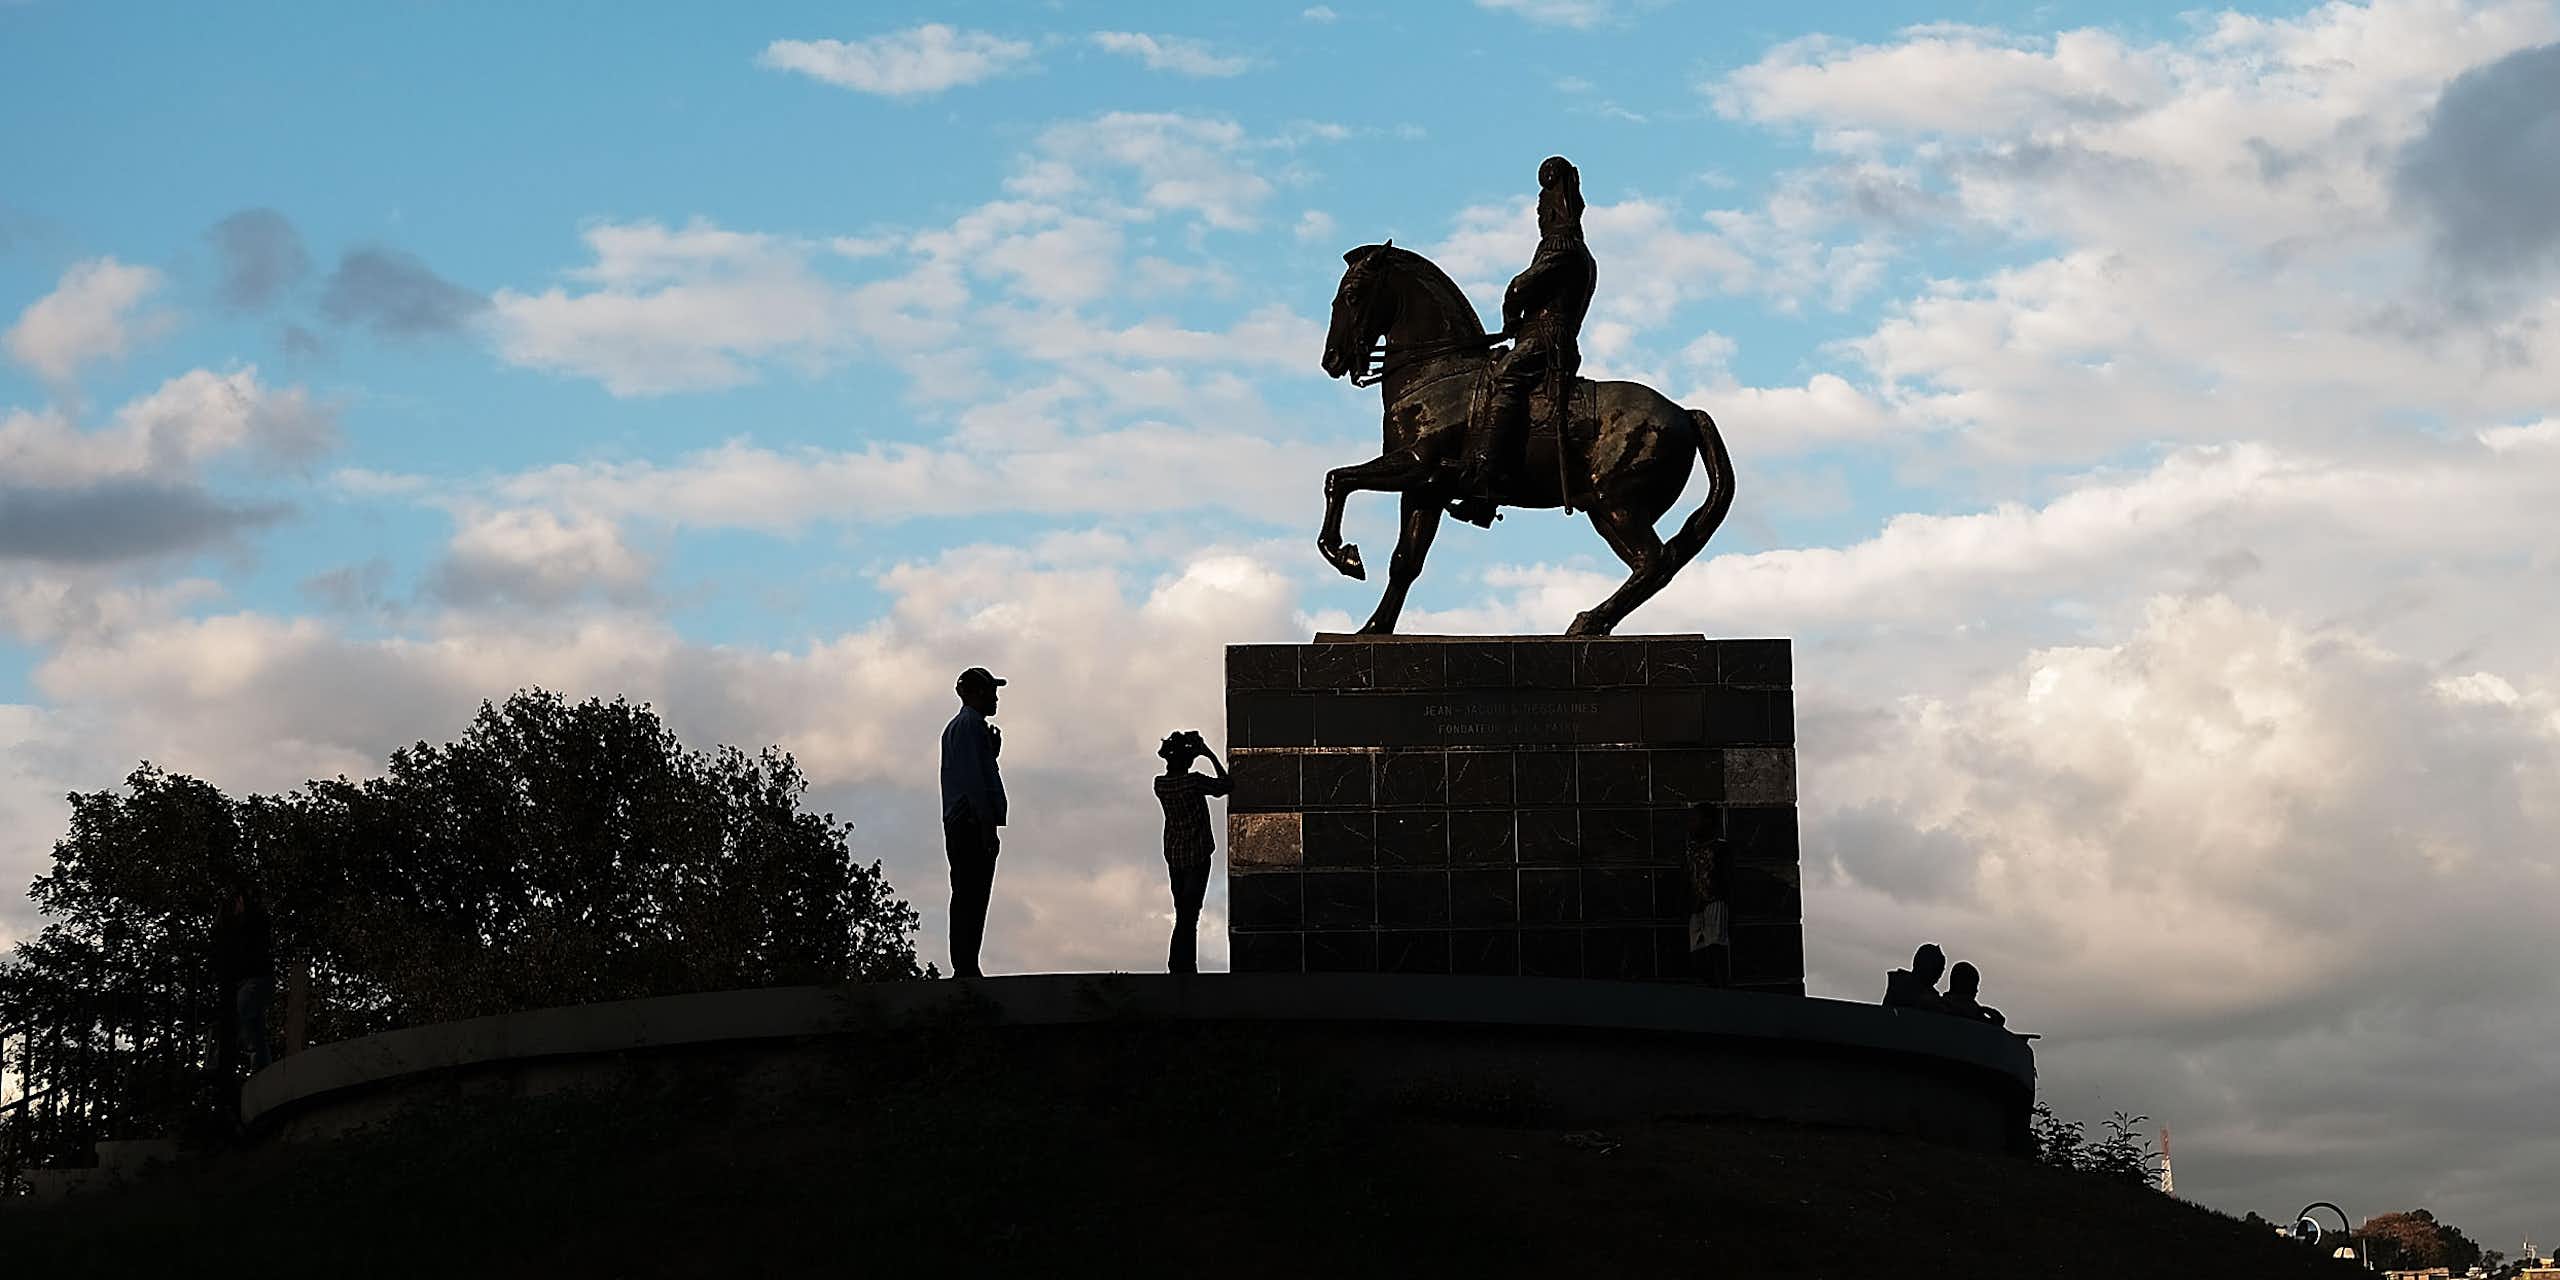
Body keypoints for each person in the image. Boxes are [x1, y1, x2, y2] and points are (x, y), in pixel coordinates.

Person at [1451, 154, 1596, 528]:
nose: (1538, 212)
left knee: (1505, 378)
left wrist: (1510, 315)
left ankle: (1485, 482)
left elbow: (1520, 287)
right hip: (1547, 336)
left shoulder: (1562, 247)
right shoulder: (1574, 251)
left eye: (1543, 205)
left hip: (1547, 339)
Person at [939, 666, 1008, 979]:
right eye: (989, 691)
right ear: (975, 693)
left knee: (967, 893)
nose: (994, 698)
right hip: (970, 823)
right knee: (972, 894)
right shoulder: (971, 726)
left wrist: (991, 754)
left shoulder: (961, 728)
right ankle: (966, 966)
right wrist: (986, 827)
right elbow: (973, 781)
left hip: (963, 822)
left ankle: (966, 963)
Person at [1152, 730, 1231, 975]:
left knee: (1182, 912)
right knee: (1190, 914)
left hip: (1175, 854)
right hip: (1197, 853)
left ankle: (1180, 964)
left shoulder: (1160, 784)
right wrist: (1208, 753)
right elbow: (1225, 785)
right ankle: (1183, 966)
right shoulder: (1193, 781)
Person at [210, 885, 273, 1074]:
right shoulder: (237, 926)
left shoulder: (253, 922)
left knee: (247, 1017)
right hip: (250, 979)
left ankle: (256, 1062)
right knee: (253, 1023)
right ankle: (260, 1064)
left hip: (254, 978)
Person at [1682, 804, 1731, 986]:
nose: (1690, 825)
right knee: (1698, 946)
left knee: (1715, 944)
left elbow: (1726, 878)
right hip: (1696, 906)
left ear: (1708, 822)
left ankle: (1718, 984)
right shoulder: (1691, 850)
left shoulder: (1720, 848)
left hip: (1714, 901)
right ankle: (1703, 982)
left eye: (1694, 820)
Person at [1882, 942, 1947, 1011]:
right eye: (1938, 969)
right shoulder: (1906, 991)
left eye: (1941, 970)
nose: (1939, 975)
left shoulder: (1899, 985)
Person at [1941, 961, 2007, 1026]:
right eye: (1973, 985)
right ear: (1960, 983)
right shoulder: (1944, 1006)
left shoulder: (1977, 1012)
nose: (1976, 990)